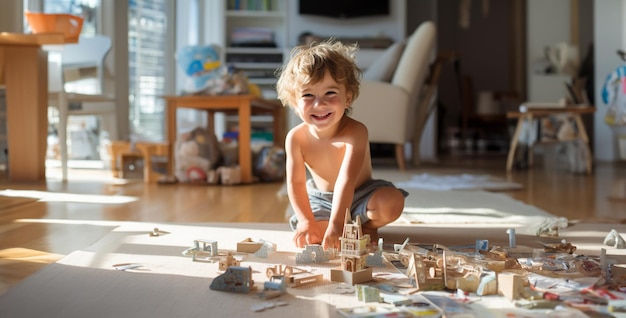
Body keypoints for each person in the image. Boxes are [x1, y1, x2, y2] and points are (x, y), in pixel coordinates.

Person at [275, 40, 409, 251]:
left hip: (362, 194)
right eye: (308, 95)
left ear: (347, 98)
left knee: (392, 203)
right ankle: (348, 227)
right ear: (294, 103)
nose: (320, 104)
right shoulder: (295, 138)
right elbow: (296, 184)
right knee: (315, 236)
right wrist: (305, 221)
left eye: (330, 93)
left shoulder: (356, 132)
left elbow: (346, 181)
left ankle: (367, 226)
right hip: (322, 200)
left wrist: (338, 225)